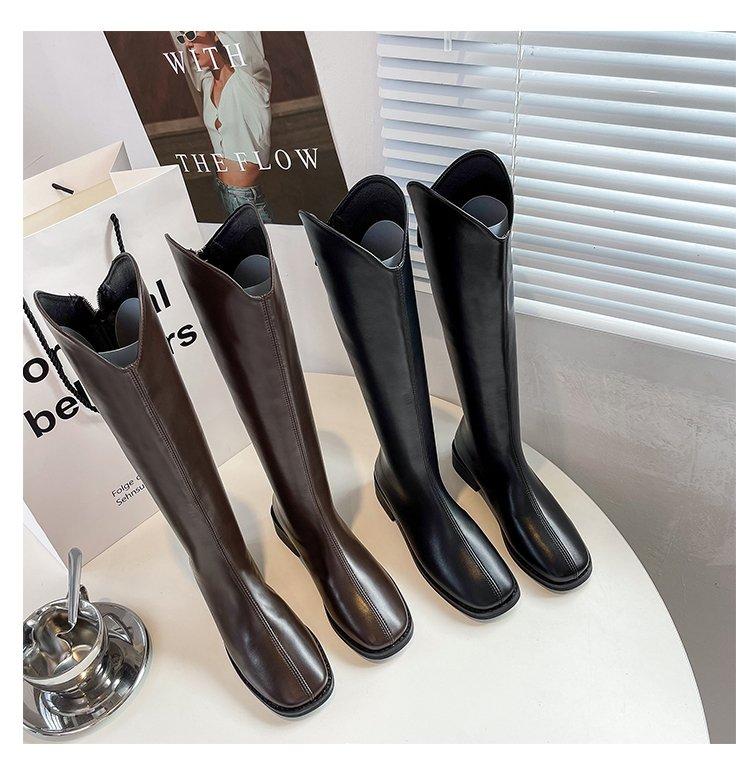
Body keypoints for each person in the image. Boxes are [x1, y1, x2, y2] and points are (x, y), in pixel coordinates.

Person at [175, 31, 274, 222]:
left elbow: (240, 32)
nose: (188, 44)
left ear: (216, 33)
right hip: (222, 190)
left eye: (192, 34)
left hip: (247, 201)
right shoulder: (206, 83)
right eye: (183, 38)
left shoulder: (251, 79)